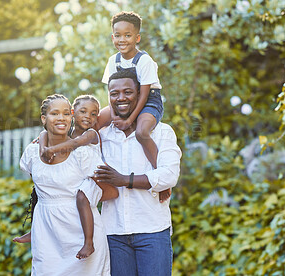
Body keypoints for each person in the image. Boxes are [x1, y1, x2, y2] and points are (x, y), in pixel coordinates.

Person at [14, 94, 116, 275]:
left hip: (81, 236)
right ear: (44, 119)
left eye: (65, 114)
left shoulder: (83, 153)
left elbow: (112, 192)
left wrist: (84, 193)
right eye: (54, 113)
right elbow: (40, 189)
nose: (61, 118)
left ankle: (89, 242)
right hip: (47, 236)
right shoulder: (32, 152)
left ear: (71, 117)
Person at [95, 70, 182, 276]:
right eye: (114, 93)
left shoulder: (161, 132)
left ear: (140, 94)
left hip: (152, 231)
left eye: (128, 92)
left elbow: (169, 175)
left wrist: (124, 180)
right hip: (113, 233)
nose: (121, 98)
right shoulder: (101, 137)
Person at [99, 11, 171, 202]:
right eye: (117, 35)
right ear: (112, 36)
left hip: (148, 101)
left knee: (141, 132)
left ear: (137, 37)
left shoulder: (144, 61)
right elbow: (111, 92)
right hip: (122, 101)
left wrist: (129, 119)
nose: (122, 39)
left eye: (127, 35)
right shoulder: (112, 61)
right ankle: (95, 168)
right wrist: (114, 115)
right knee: (94, 121)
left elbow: (144, 94)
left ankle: (161, 178)